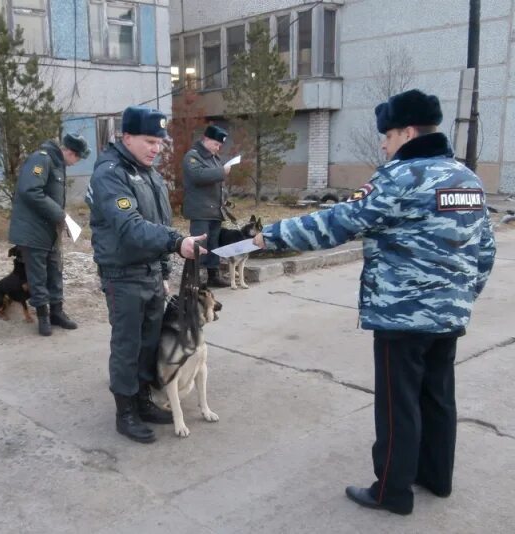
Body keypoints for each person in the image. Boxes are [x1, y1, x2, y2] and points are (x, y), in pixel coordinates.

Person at [253, 89, 496, 515]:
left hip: (401, 315)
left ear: (406, 131)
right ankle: (437, 478)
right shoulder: (467, 179)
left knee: (397, 405)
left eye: (386, 135)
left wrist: (266, 237)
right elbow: (485, 249)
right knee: (437, 397)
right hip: (449, 314)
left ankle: (392, 492)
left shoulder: (399, 177)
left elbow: (337, 223)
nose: (383, 144)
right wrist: (461, 295)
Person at [86, 105, 207, 444]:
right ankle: (124, 412)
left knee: (150, 342)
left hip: (151, 272)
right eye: (149, 141)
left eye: (159, 142)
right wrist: (176, 242)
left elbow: (160, 223)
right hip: (122, 274)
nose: (156, 148)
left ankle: (142, 400)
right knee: (127, 344)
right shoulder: (110, 174)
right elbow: (130, 228)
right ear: (126, 137)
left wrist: (165, 267)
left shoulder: (149, 173)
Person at [9, 133, 90, 336]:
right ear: (70, 152)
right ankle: (43, 316)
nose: (76, 163)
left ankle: (57, 312)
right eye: (77, 158)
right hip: (33, 230)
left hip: (49, 229)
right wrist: (60, 214)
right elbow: (30, 191)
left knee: (55, 270)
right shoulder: (41, 159)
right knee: (38, 275)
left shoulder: (56, 163)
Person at [182, 124, 231, 287]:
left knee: (213, 244)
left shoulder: (214, 158)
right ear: (206, 139)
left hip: (215, 210)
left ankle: (213, 275)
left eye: (219, 145)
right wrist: (222, 172)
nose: (218, 148)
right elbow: (198, 176)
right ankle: (194, 278)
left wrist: (224, 199)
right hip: (200, 210)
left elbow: (219, 185)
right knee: (199, 245)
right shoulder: (193, 156)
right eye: (216, 144)